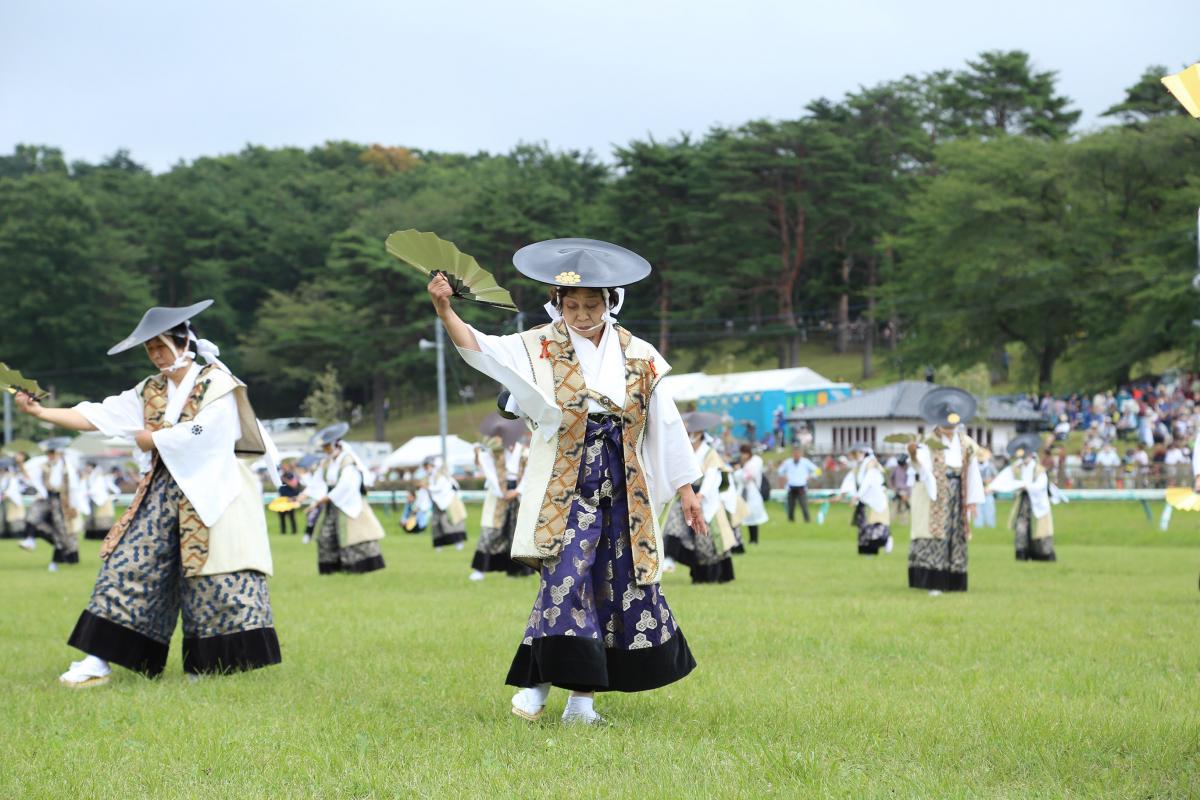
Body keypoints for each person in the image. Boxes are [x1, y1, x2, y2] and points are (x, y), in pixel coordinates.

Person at [429, 237, 704, 726]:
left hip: (623, 484)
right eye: (571, 304)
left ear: (610, 302)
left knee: (612, 586)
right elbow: (481, 348)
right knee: (565, 576)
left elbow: (666, 423)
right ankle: (537, 687)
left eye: (591, 304)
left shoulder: (640, 355)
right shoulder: (538, 344)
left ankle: (580, 703)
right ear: (557, 302)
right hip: (566, 482)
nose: (581, 314)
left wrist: (687, 491)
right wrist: (444, 309)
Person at [14, 300, 282, 686]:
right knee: (127, 566)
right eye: (150, 350)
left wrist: (153, 436)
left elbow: (211, 432)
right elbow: (97, 415)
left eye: (160, 347)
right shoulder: (149, 390)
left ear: (183, 342)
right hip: (161, 491)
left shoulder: (217, 384)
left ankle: (207, 667)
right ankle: (98, 659)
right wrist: (42, 413)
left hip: (212, 491)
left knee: (213, 579)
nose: (155, 356)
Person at [906, 387, 984, 595]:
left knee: (955, 533)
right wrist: (914, 456)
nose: (949, 428)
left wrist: (973, 500)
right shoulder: (928, 441)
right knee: (935, 531)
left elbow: (973, 470)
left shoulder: (966, 443)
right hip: (934, 493)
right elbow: (920, 465)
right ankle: (934, 581)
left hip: (958, 490)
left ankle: (954, 579)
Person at [302, 423, 386, 574]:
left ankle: (355, 568)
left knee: (352, 537)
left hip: (348, 503)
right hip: (332, 504)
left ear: (335, 445)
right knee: (325, 536)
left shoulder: (348, 461)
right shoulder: (327, 462)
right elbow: (318, 480)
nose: (325, 450)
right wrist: (304, 495)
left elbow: (346, 486)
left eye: (327, 446)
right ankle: (331, 568)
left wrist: (323, 500)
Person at [665, 417, 737, 584]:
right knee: (676, 528)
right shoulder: (686, 451)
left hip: (704, 496)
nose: (690, 435)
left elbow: (712, 476)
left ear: (699, 433)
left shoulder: (709, 453)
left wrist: (701, 494)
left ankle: (713, 574)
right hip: (687, 494)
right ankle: (672, 559)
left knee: (706, 539)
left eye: (692, 432)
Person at [468, 437, 530, 580]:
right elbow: (486, 467)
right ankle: (480, 569)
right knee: (490, 529)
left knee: (516, 531)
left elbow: (531, 472)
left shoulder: (525, 452)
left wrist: (517, 491)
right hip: (498, 493)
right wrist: (477, 452)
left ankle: (516, 569)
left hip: (519, 493)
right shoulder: (495, 451)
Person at [989, 433, 1057, 562]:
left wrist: (1027, 486)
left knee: (1041, 529)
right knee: (1021, 527)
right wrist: (991, 487)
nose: (1024, 460)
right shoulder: (1017, 468)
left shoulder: (1038, 470)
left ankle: (1043, 555)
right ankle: (1022, 553)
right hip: (1023, 501)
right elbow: (1004, 477)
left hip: (1037, 501)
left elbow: (1041, 485)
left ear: (1031, 455)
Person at [20, 438, 83, 571]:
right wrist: (20, 463)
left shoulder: (67, 467)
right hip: (48, 499)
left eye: (52, 453)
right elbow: (30, 477)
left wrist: (74, 505)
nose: (50, 456)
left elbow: (74, 487)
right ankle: (30, 539)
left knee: (62, 533)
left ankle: (56, 561)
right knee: (33, 513)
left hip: (63, 503)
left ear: (58, 453)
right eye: (49, 453)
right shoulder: (45, 465)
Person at [839, 443, 891, 555]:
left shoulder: (871, 464)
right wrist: (842, 493)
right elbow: (850, 479)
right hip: (865, 501)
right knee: (864, 526)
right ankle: (868, 551)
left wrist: (857, 496)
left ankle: (886, 540)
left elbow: (868, 481)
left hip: (875, 500)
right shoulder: (860, 466)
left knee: (877, 524)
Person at [424, 456, 468, 550]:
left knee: (452, 523)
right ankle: (439, 545)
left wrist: (427, 487)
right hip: (438, 503)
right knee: (437, 523)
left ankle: (458, 543)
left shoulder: (442, 476)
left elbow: (439, 488)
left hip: (449, 503)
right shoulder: (432, 476)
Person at [777, 444, 820, 523]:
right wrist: (785, 476)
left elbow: (818, 471)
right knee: (790, 506)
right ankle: (791, 521)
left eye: (797, 453)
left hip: (801, 486)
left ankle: (807, 521)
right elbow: (780, 471)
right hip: (791, 486)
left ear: (800, 454)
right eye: (794, 453)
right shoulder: (788, 462)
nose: (796, 455)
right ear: (792, 454)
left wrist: (810, 476)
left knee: (804, 505)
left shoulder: (805, 462)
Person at [737, 443, 769, 544]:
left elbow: (746, 477)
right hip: (742, 492)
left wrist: (739, 470)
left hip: (752, 492)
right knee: (742, 516)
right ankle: (744, 540)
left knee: (753, 517)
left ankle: (754, 539)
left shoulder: (756, 461)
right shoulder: (744, 462)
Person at [81, 461, 119, 540]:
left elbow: (97, 487)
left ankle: (104, 535)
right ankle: (91, 535)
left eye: (89, 467)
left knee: (103, 517)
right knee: (93, 517)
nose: (87, 468)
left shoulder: (99, 476)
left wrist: (89, 492)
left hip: (102, 499)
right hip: (92, 499)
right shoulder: (88, 476)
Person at [0, 459, 27, 539]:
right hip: (6, 503)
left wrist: (2, 497)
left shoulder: (12, 478)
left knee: (16, 522)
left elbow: (10, 491)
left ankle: (19, 537)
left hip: (15, 503)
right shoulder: (2, 478)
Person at [973, 448, 997, 529]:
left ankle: (991, 525)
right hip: (978, 491)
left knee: (990, 509)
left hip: (988, 490)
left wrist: (990, 483)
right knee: (978, 509)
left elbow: (996, 477)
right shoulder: (974, 466)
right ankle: (978, 526)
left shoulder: (990, 466)